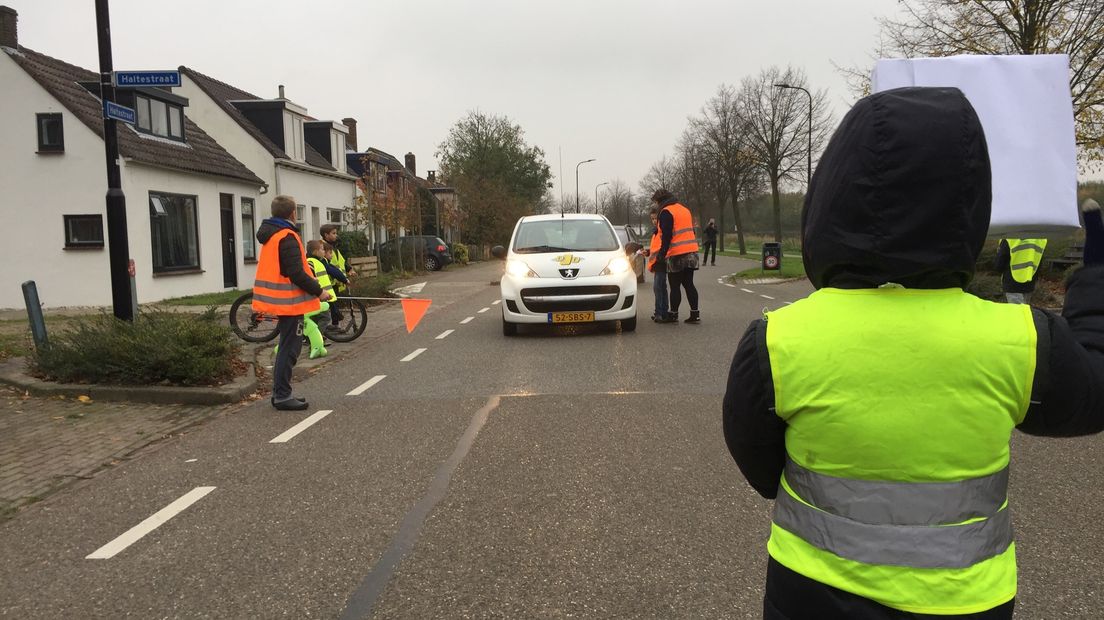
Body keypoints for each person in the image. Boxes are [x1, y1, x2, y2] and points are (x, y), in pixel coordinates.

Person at [722, 87, 1104, 618]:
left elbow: (760, 465)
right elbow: (1094, 394)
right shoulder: (1021, 338)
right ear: (969, 204)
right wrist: (1096, 284)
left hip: (811, 593)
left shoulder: (779, 338)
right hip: (967, 601)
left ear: (831, 197)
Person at [253, 195, 332, 411]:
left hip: (282, 301)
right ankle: (282, 395)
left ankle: (280, 392)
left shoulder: (272, 234)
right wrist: (319, 291)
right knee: (290, 348)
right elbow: (295, 272)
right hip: (289, 303)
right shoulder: (286, 237)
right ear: (293, 213)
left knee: (287, 347)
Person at [652, 188, 700, 323]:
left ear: (660, 200)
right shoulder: (684, 209)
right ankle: (695, 313)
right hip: (691, 251)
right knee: (689, 284)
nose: (656, 205)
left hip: (677, 253)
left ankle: (673, 314)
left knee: (675, 285)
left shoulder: (666, 212)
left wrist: (661, 254)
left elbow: (667, 235)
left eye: (656, 202)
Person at [303, 240, 336, 360]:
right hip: (316, 296)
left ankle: (315, 341)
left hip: (318, 295)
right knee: (325, 317)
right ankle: (316, 341)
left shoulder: (319, 261)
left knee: (317, 318)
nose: (324, 251)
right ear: (316, 251)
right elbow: (311, 279)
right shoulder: (311, 262)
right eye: (322, 249)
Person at [320, 224, 356, 325]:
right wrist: (343, 278)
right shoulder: (323, 247)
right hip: (327, 280)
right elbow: (329, 267)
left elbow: (340, 260)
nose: (336, 235)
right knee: (330, 304)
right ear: (326, 235)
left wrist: (349, 269)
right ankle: (331, 324)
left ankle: (334, 324)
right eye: (334, 233)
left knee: (333, 303)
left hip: (334, 280)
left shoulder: (333, 247)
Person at [994, 237, 1048, 303]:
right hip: (1030, 280)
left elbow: (1000, 261)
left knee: (1016, 311)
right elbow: (1039, 260)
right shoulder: (1039, 239)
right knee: (1024, 310)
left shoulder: (1010, 236)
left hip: (1012, 282)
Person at [642, 207, 672, 322]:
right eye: (652, 219)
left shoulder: (661, 231)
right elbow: (656, 248)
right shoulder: (656, 232)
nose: (654, 221)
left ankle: (659, 313)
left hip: (661, 261)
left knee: (658, 287)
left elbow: (663, 246)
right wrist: (648, 252)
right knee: (661, 287)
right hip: (657, 262)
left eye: (656, 218)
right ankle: (663, 312)